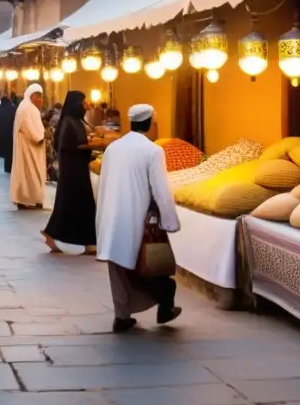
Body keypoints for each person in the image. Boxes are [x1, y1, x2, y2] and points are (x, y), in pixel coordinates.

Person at [96, 104, 182, 333]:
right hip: (137, 217)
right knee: (149, 266)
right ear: (150, 123)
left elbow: (104, 183)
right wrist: (170, 221)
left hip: (112, 215)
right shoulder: (152, 151)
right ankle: (165, 306)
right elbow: (161, 189)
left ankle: (121, 316)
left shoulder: (114, 147)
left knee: (117, 267)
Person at [43, 91, 97, 255]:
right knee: (80, 204)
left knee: (68, 205)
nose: (86, 106)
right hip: (73, 171)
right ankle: (89, 242)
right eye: (83, 103)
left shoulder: (74, 121)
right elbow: (70, 146)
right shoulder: (69, 123)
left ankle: (52, 234)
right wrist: (91, 147)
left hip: (75, 169)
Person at [10, 83, 46, 210]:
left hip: (27, 147)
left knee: (27, 173)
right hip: (30, 148)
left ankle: (26, 199)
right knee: (31, 173)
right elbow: (32, 131)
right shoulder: (28, 109)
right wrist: (41, 136)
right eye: (38, 96)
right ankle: (31, 199)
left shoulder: (23, 106)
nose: (41, 100)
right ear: (31, 96)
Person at [0, 95, 16, 170]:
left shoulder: (0, 107)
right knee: (10, 151)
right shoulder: (12, 108)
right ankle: (9, 167)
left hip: (2, 132)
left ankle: (6, 167)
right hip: (10, 133)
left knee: (6, 152)